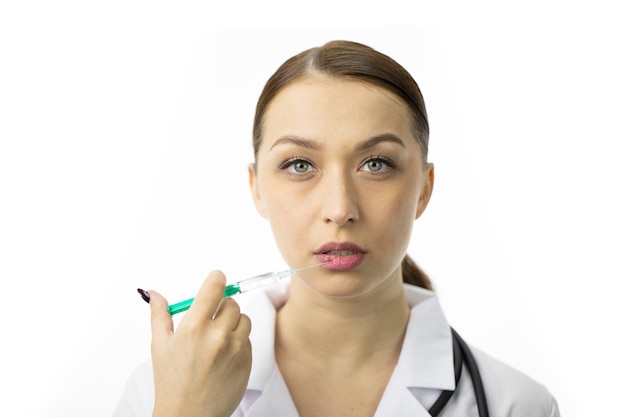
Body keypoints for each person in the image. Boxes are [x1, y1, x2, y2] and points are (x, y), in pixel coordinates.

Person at [113, 40, 560, 417]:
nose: (340, 208)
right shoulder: (164, 391)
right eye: (300, 165)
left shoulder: (515, 405)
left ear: (423, 189)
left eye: (376, 163)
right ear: (257, 190)